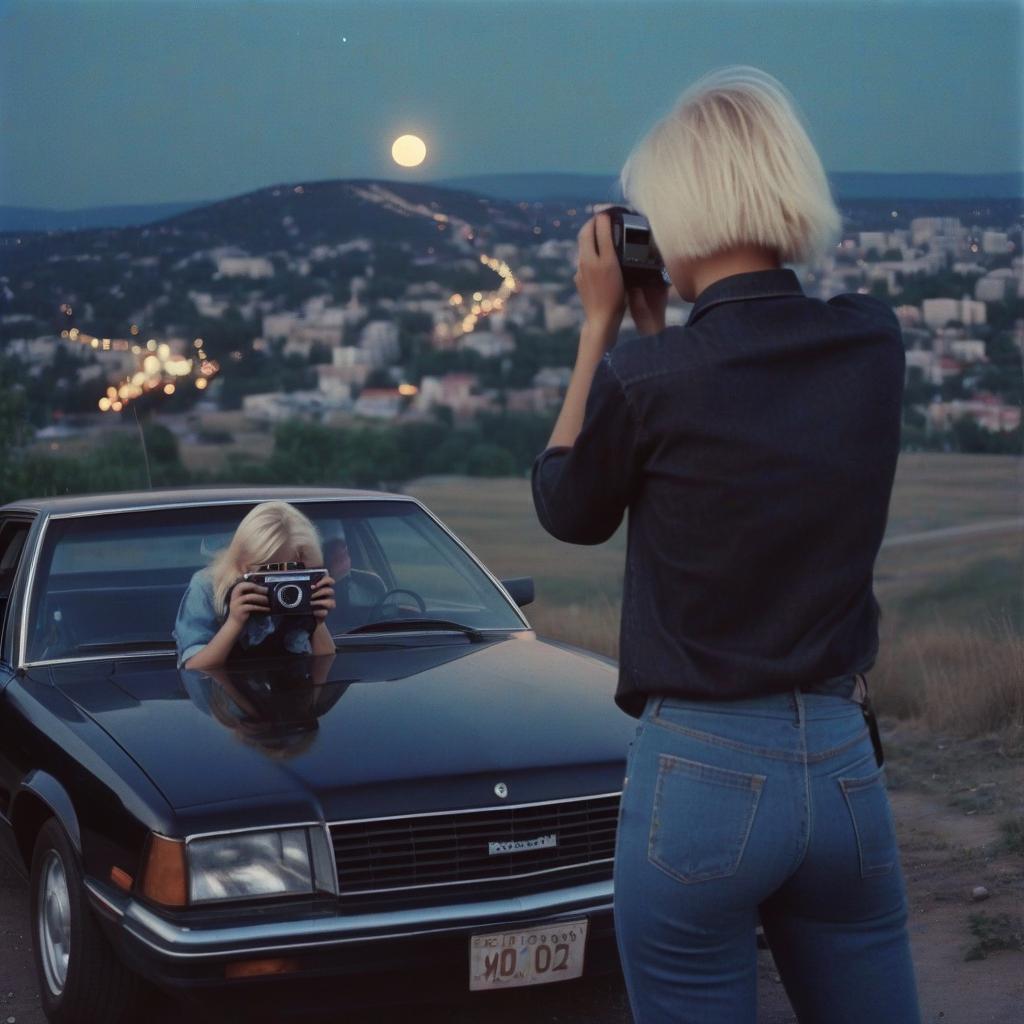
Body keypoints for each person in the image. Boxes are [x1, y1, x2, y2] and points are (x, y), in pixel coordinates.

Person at [531, 66, 921, 1024]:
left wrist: (600, 331)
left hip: (702, 769)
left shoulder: (645, 377)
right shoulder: (872, 341)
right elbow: (738, 394)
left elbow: (567, 505)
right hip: (841, 765)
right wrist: (662, 329)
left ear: (676, 215)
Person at [173, 500, 336, 671]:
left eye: (298, 574)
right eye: (272, 571)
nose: (286, 586)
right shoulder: (207, 587)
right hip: (225, 693)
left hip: (288, 691)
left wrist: (318, 623)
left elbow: (325, 667)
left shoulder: (304, 594)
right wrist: (235, 622)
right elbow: (194, 669)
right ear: (243, 564)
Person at [322, 534, 388, 633]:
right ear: (325, 560)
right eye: (334, 555)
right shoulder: (314, 589)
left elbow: (385, 619)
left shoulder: (371, 583)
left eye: (345, 553)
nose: (341, 558)